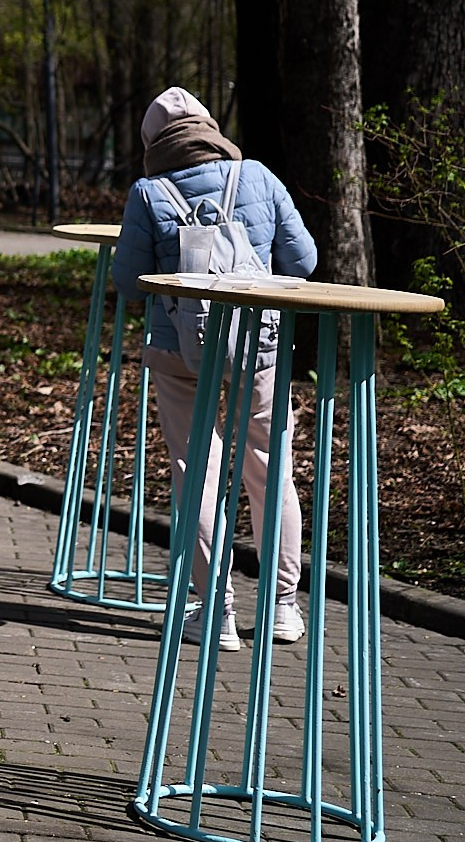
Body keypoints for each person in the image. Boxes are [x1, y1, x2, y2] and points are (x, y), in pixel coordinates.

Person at [112, 87, 318, 652]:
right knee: (269, 466)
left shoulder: (148, 193)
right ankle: (281, 607)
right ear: (209, 128)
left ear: (153, 143)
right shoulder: (257, 176)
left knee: (195, 472)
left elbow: (129, 283)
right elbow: (303, 260)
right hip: (262, 344)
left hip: (179, 350)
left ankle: (217, 612)